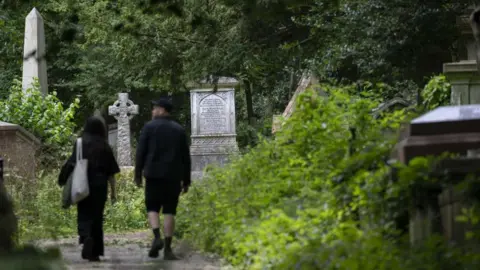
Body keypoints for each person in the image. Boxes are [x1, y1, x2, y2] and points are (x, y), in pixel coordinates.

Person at [134, 97, 191, 260]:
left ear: (162, 110)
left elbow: (140, 153)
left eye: (155, 108)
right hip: (173, 177)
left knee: (152, 207)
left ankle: (156, 236)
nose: (153, 111)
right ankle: (167, 248)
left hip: (152, 175)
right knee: (169, 211)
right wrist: (186, 180)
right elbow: (185, 158)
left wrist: (138, 174)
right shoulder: (178, 130)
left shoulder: (149, 128)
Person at [58, 116, 120, 262]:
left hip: (83, 183)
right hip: (100, 185)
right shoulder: (105, 146)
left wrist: (62, 179)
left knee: (84, 213)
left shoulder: (80, 143)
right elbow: (111, 173)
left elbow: (71, 162)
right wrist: (113, 192)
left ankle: (86, 237)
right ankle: (95, 252)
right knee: (97, 217)